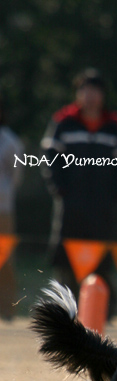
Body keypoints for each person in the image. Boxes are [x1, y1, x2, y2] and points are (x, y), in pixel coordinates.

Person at [41, 68, 117, 314]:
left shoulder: (113, 126)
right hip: (70, 202)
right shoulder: (63, 121)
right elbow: (50, 158)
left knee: (102, 258)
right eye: (84, 90)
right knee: (65, 258)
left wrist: (116, 193)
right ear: (78, 94)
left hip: (102, 204)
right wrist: (58, 188)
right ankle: (63, 312)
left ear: (102, 95)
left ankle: (103, 312)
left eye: (95, 91)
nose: (89, 96)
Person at [0, 93, 24, 321]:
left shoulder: (9, 140)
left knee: (5, 260)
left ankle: (8, 309)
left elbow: (16, 175)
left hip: (2, 210)